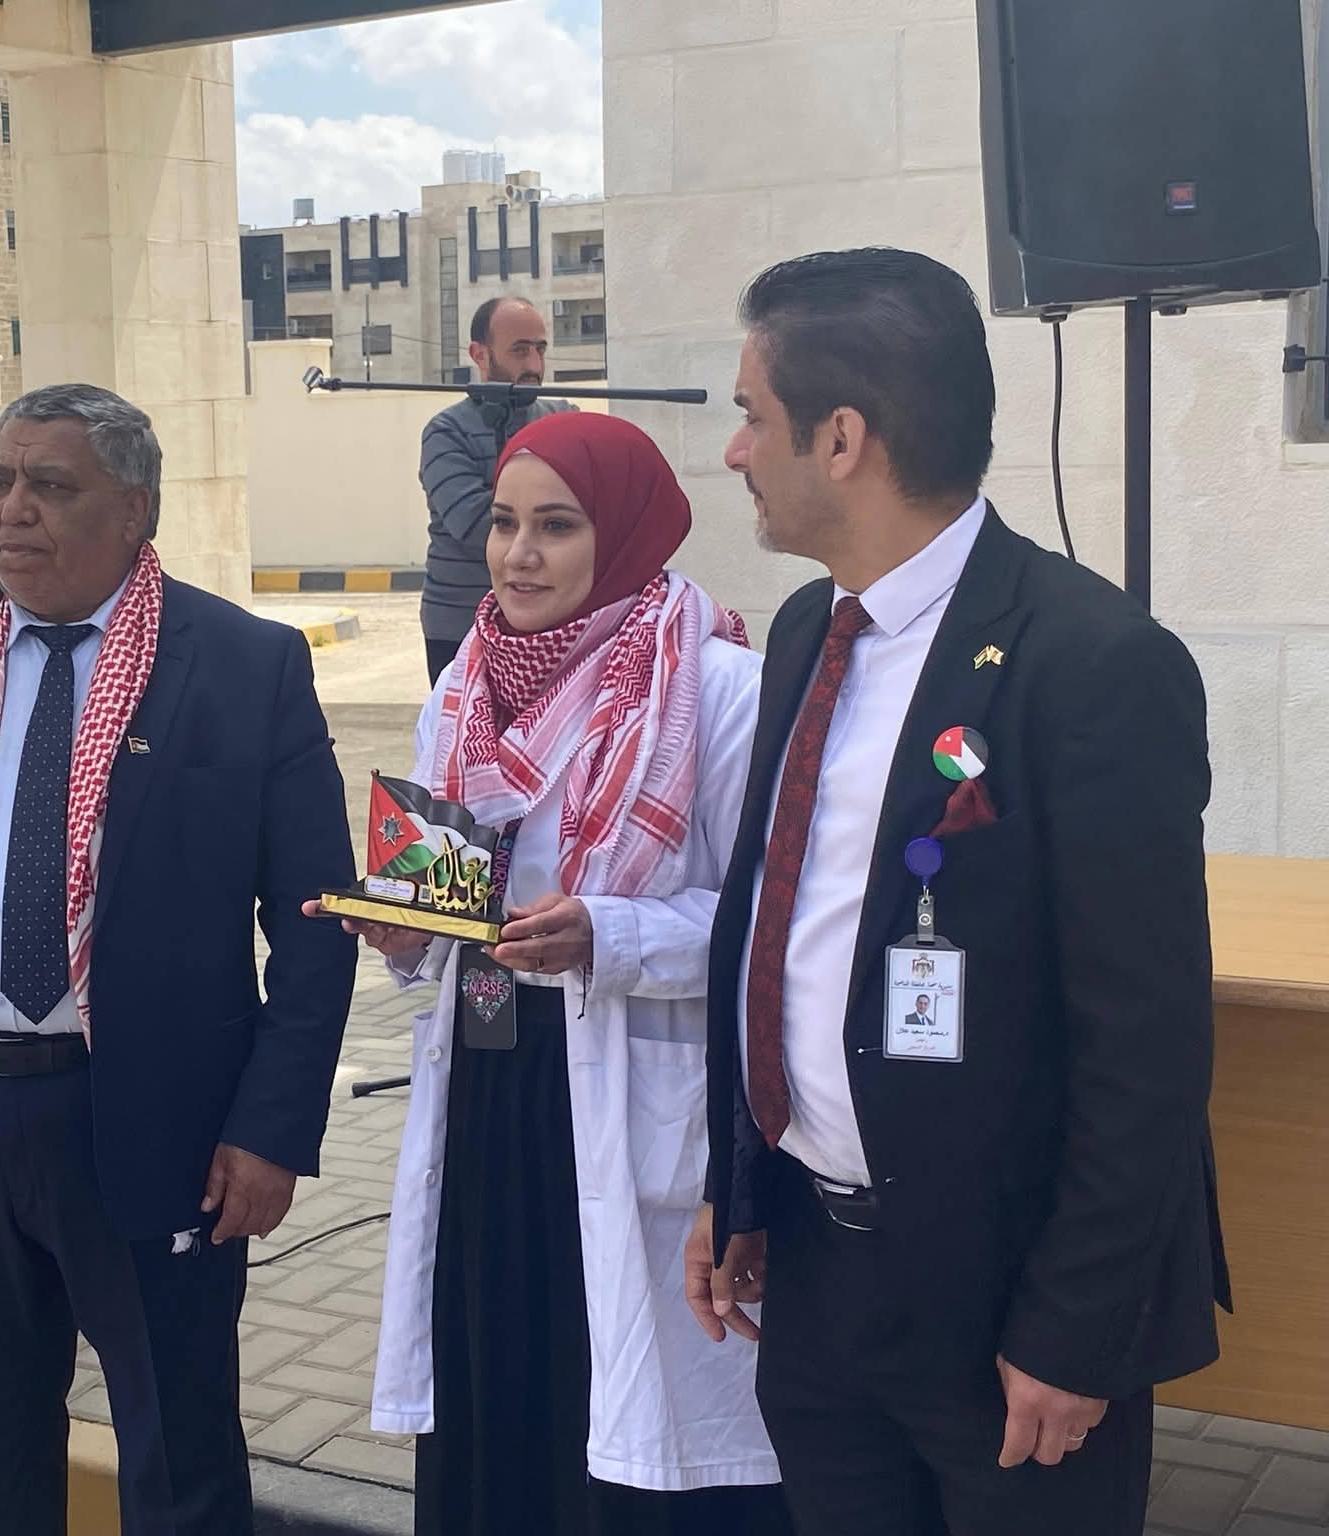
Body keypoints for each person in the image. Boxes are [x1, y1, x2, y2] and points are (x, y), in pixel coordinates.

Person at [687, 248, 1228, 1536]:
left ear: (839, 440)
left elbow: (1144, 1046)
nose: (733, 452)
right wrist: (741, 1184)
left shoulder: (1091, 663)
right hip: (817, 1279)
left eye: (749, 415)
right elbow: (773, 929)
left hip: (1006, 1310)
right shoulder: (805, 632)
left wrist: (1072, 1329)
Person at [0, 384, 357, 1536]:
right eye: (1, 481)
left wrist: (269, 1130)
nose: (13, 510)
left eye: (51, 487)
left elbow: (313, 924)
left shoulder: (241, 666)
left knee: (179, 1460)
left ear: (132, 511)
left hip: (157, 1129)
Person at [331, 411, 787, 1535]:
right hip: (490, 1087)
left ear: (624, 533)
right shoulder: (464, 686)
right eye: (502, 523)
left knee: (621, 1406)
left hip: (631, 1097)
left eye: (557, 526)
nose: (518, 555)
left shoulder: (717, 688)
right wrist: (406, 932)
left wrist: (607, 935)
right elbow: (451, 894)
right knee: (495, 1375)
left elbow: (766, 927)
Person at [419, 294, 578, 684]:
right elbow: (477, 527)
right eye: (520, 351)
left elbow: (596, 512)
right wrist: (557, 519)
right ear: (480, 354)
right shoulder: (445, 432)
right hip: (460, 624)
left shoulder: (564, 418)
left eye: (540, 350)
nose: (534, 366)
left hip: (550, 619)